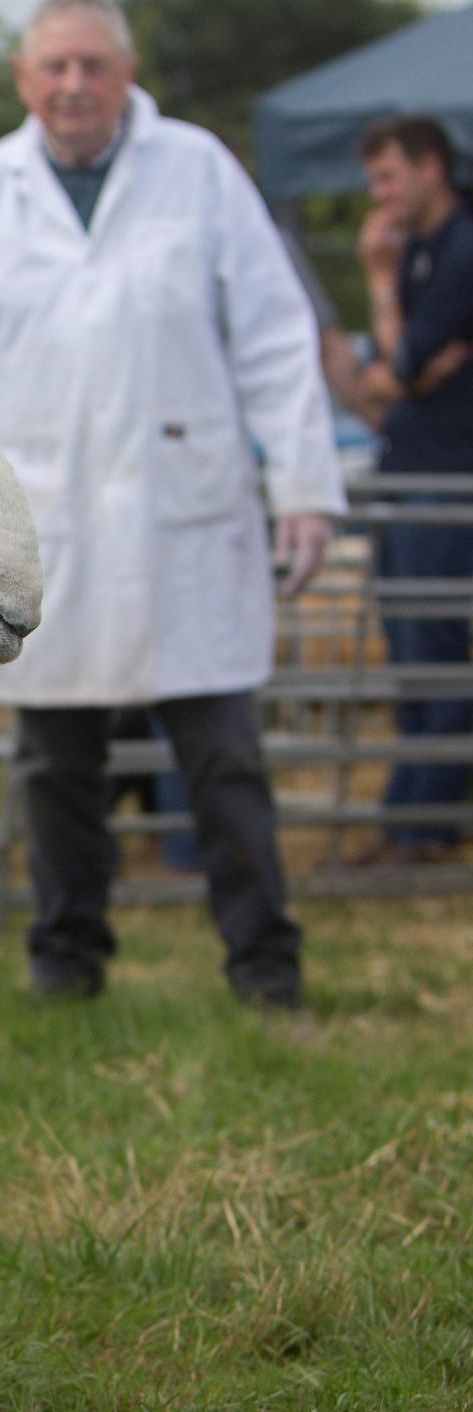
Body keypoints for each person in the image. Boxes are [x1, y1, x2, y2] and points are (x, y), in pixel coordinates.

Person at [0, 0, 345, 1009]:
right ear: (25, 78)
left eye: (93, 66)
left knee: (225, 761)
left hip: (185, 515)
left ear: (128, 71)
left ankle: (267, 970)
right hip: (50, 525)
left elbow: (276, 338)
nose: (74, 85)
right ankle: (67, 965)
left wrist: (306, 487)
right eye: (55, 66)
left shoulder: (199, 173)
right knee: (57, 766)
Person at [342, 115, 473, 867]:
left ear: (431, 168)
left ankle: (425, 822)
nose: (379, 196)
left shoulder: (456, 251)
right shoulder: (428, 247)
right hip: (412, 474)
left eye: (389, 177)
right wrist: (403, 370)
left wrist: (380, 283)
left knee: (435, 651)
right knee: (413, 655)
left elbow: (398, 368)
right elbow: (396, 375)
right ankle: (411, 815)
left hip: (444, 482)